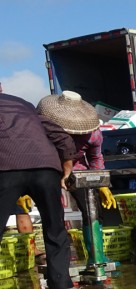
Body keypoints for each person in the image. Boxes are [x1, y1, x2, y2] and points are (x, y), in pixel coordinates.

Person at [0, 91, 78, 289]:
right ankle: (62, 285)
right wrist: (67, 168)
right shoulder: (23, 104)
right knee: (55, 226)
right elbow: (60, 136)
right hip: (45, 168)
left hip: (6, 168)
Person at [36, 91, 118, 259]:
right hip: (50, 167)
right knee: (53, 212)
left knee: (93, 210)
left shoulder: (93, 133)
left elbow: (95, 157)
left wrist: (102, 184)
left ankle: (97, 255)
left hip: (78, 170)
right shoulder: (46, 128)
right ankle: (58, 258)